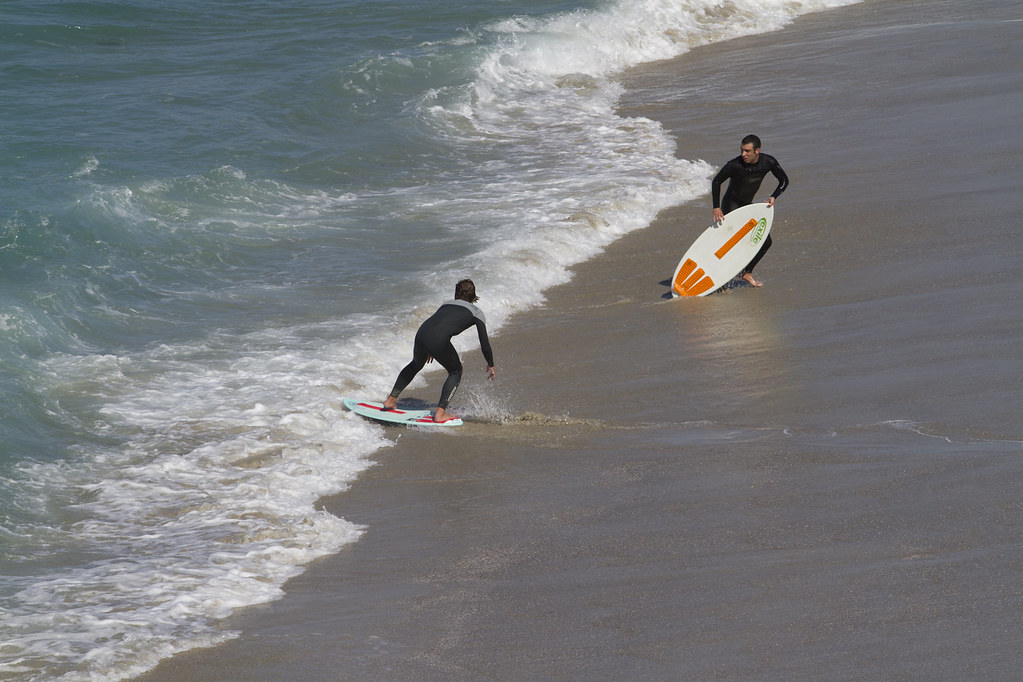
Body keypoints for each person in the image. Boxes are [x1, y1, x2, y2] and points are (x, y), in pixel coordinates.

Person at [382, 279, 496, 423]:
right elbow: (484, 343)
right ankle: (440, 414)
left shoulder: (446, 304)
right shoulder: (477, 313)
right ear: (474, 295)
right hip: (436, 339)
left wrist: (430, 348)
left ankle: (391, 400)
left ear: (456, 293)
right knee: (456, 371)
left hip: (422, 333)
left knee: (416, 364)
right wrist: (490, 363)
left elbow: (438, 323)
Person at [711, 134, 789, 287]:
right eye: (742, 150)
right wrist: (716, 207)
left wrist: (774, 196)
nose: (743, 154)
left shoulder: (768, 162)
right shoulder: (735, 165)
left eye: (747, 151)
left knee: (766, 242)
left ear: (757, 150)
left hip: (747, 207)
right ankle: (719, 280)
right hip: (731, 207)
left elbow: (784, 180)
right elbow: (717, 181)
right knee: (732, 244)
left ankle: (746, 273)